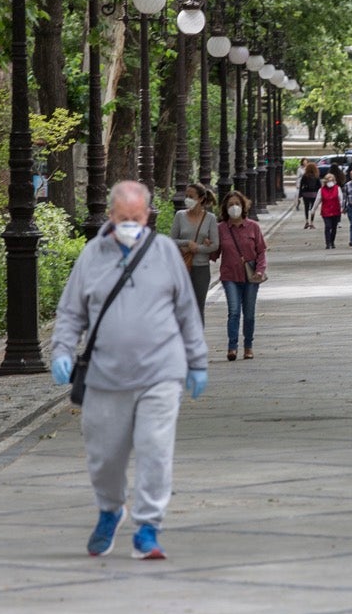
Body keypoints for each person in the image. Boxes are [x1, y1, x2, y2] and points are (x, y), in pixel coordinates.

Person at [49, 180, 208, 560]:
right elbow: (71, 312)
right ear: (110, 216)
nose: (131, 224)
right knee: (105, 455)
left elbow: (187, 310)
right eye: (124, 218)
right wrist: (61, 350)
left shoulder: (166, 252)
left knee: (155, 449)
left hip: (161, 371)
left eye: (137, 217)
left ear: (148, 216)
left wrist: (196, 361)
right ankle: (110, 508)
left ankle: (148, 528)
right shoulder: (92, 255)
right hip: (106, 375)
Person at [217, 190, 268, 361]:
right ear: (225, 208)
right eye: (230, 205)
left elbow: (261, 252)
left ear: (243, 206)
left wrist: (260, 270)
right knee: (233, 312)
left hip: (251, 277)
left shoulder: (253, 227)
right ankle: (232, 347)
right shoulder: (221, 229)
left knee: (249, 313)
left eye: (237, 204)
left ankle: (248, 346)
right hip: (229, 275)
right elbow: (214, 253)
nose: (234, 207)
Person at [170, 182, 220, 321]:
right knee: (181, 306)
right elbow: (171, 240)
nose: (187, 199)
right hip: (182, 267)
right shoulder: (180, 216)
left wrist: (198, 248)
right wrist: (186, 243)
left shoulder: (210, 218)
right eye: (186, 196)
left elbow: (215, 244)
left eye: (191, 196)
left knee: (198, 307)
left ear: (201, 199)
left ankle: (197, 339)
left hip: (201, 268)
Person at [319, 171, 344, 249]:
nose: (330, 182)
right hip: (326, 211)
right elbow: (317, 200)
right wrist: (313, 211)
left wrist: (342, 207)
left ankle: (332, 241)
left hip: (335, 210)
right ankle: (328, 243)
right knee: (327, 226)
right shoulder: (321, 190)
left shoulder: (337, 188)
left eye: (331, 180)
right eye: (328, 181)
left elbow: (341, 199)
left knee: (334, 227)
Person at [297, 162, 322, 229]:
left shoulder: (305, 176)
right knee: (313, 208)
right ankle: (312, 223)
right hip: (314, 194)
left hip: (306, 194)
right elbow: (320, 186)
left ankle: (306, 221)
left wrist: (300, 195)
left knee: (306, 208)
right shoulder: (316, 176)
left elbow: (301, 186)